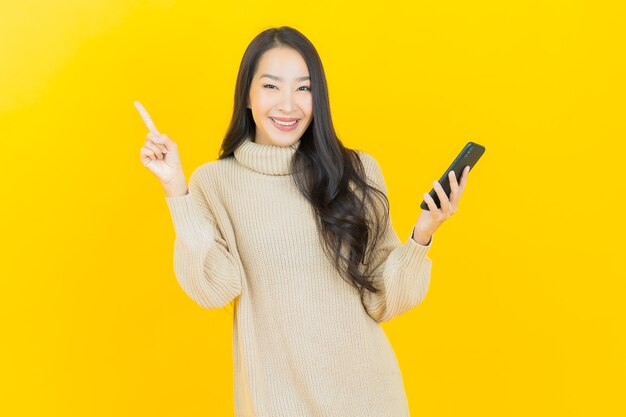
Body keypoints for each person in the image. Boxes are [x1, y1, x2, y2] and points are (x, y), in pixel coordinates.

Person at [138, 26, 469, 417]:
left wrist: (423, 233)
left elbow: (382, 299)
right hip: (277, 404)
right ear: (247, 94)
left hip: (369, 399)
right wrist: (176, 189)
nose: (288, 105)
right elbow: (213, 288)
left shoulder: (356, 171)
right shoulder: (214, 182)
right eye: (272, 87)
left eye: (304, 88)